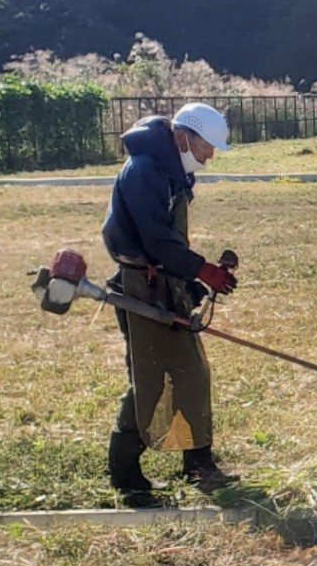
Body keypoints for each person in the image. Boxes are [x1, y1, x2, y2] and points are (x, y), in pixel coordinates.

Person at [102, 102, 239, 503]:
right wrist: (201, 270)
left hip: (165, 279)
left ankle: (199, 464)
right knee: (150, 377)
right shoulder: (145, 172)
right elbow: (156, 240)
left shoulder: (172, 173)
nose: (211, 155)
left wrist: (199, 276)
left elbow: (169, 243)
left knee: (191, 371)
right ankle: (125, 474)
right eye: (206, 147)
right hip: (141, 283)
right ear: (183, 137)